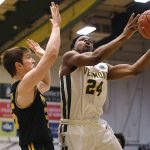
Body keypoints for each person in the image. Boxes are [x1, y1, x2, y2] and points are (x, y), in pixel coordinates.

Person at [58, 13, 149, 150]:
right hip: (73, 127)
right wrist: (124, 35)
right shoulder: (69, 57)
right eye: (82, 39)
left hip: (97, 125)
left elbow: (134, 69)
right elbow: (95, 57)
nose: (87, 41)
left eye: (91, 41)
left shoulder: (102, 67)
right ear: (73, 47)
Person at [2, 2, 61, 150]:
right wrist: (56, 26)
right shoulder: (24, 85)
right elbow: (53, 54)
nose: (32, 59)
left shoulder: (26, 87)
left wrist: (42, 55)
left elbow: (46, 83)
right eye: (28, 57)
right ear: (19, 66)